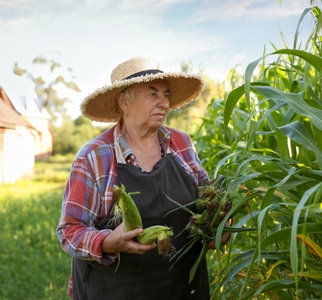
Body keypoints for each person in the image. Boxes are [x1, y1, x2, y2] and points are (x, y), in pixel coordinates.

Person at [56, 57, 226, 299]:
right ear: (124, 102)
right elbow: (69, 231)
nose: (164, 103)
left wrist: (217, 226)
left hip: (182, 287)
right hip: (114, 291)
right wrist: (106, 242)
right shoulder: (94, 156)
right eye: (153, 94)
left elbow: (207, 198)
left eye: (166, 95)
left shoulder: (181, 143)